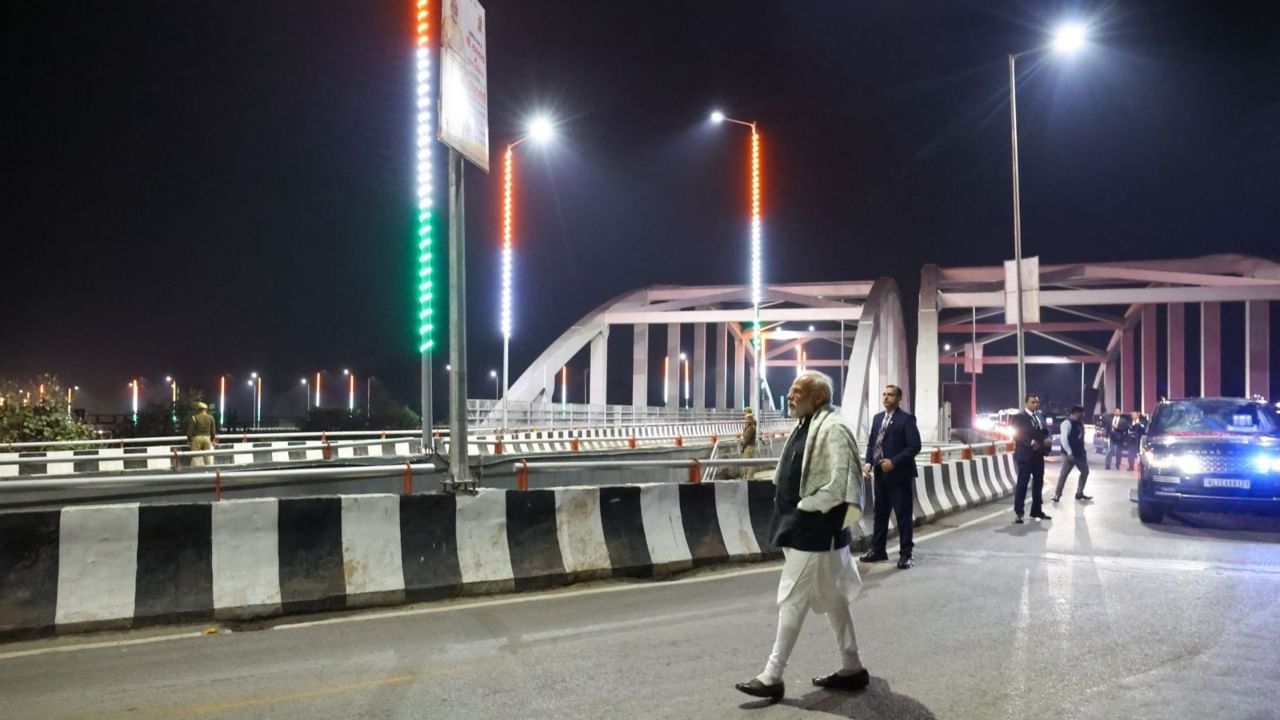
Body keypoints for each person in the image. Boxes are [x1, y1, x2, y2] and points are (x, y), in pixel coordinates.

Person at [735, 371, 869, 701]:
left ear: (819, 397)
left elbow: (841, 483)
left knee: (792, 598)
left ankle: (772, 675)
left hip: (815, 529)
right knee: (835, 600)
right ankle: (853, 667)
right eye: (792, 390)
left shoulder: (834, 428)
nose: (791, 396)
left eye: (798, 391)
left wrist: (805, 506)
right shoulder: (808, 423)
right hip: (802, 527)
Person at [859, 384, 922, 569]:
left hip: (900, 475)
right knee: (880, 514)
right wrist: (869, 462)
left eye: (890, 395)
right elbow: (873, 443)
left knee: (903, 516)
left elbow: (914, 446)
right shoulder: (878, 418)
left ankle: (906, 555)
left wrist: (893, 462)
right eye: (884, 394)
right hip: (880, 475)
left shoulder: (906, 419)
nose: (886, 398)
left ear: (899, 398)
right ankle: (878, 549)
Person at [1010, 393, 1051, 524]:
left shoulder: (1039, 416)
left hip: (1038, 455)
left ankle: (1036, 510)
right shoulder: (1019, 417)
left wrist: (1047, 439)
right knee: (1022, 484)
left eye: (1037, 402)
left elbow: (1044, 431)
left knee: (1038, 483)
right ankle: (1019, 512)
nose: (1035, 404)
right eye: (1033, 402)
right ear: (1026, 403)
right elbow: (1017, 434)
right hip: (1025, 454)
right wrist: (1030, 442)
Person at [1052, 406, 1092, 502]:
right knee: (1064, 474)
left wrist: (1083, 449)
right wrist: (1069, 452)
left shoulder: (1080, 423)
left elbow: (1081, 438)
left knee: (1085, 471)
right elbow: (1064, 439)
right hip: (1069, 454)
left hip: (1080, 453)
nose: (1083, 415)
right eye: (1082, 413)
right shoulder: (1067, 423)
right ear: (1076, 413)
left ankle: (1079, 493)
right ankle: (1057, 494)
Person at [186, 401, 218, 467]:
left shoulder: (194, 418)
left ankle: (194, 472)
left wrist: (189, 441)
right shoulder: (211, 418)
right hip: (207, 439)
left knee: (195, 457)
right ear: (206, 409)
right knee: (207, 458)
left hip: (197, 439)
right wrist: (212, 440)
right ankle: (208, 471)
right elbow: (213, 432)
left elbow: (189, 432)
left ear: (198, 409)